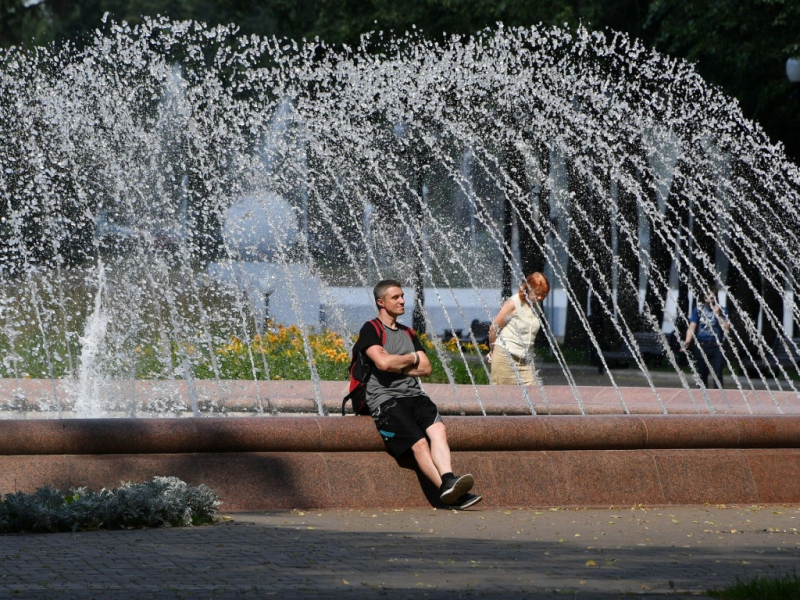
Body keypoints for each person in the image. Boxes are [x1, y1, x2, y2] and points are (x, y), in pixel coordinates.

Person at [356, 279, 482, 509]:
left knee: (438, 430)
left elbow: (426, 368)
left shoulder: (408, 332)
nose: (403, 301)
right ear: (381, 302)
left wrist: (401, 362)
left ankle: (448, 480)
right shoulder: (371, 329)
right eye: (396, 297)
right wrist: (411, 358)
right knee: (421, 444)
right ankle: (448, 492)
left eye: (402, 296)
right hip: (385, 399)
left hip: (414, 395)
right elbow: (383, 363)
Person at [488, 272, 550, 385]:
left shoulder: (535, 305)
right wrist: (492, 350)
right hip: (505, 357)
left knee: (534, 396)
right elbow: (494, 329)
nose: (541, 298)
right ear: (529, 288)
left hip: (526, 360)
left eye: (544, 295)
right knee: (505, 398)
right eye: (538, 294)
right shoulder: (514, 303)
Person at [682, 286, 730, 389]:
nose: (709, 301)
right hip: (701, 346)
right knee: (701, 377)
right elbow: (692, 326)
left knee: (717, 375)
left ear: (716, 298)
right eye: (706, 298)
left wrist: (718, 315)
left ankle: (718, 399)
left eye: (712, 298)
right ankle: (702, 399)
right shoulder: (698, 309)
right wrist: (687, 341)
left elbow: (726, 328)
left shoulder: (722, 309)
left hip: (716, 347)